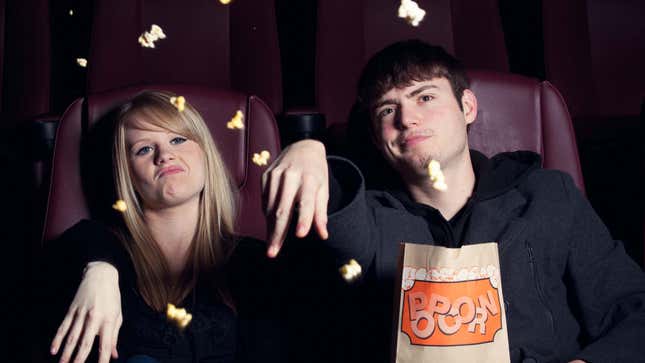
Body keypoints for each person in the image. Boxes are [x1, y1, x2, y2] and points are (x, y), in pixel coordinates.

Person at [261, 40, 645, 362]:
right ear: (378, 138)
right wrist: (310, 152)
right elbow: (336, 237)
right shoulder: (369, 218)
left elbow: (632, 309)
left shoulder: (547, 196)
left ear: (468, 108)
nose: (407, 118)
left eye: (424, 96)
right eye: (387, 109)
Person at [40, 91, 284, 363]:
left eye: (178, 139)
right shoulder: (94, 249)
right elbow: (76, 244)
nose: (165, 155)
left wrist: (312, 153)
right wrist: (98, 270)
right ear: (128, 176)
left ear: (206, 155)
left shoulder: (250, 261)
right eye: (144, 149)